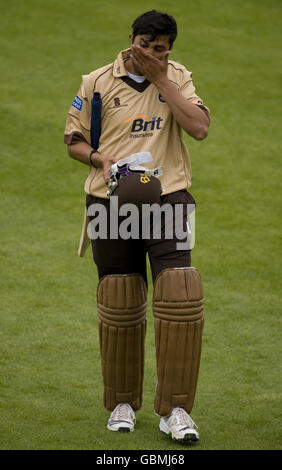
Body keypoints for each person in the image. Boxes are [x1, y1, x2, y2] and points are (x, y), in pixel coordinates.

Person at [64, 10, 210, 443]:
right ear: (130, 38)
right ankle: (123, 401)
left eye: (160, 48)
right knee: (121, 301)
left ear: (170, 49)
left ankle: (176, 411)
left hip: (168, 198)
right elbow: (73, 140)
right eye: (144, 45)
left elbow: (200, 128)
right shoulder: (96, 81)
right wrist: (100, 159)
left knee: (181, 297)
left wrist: (161, 79)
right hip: (110, 202)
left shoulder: (179, 77)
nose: (150, 53)